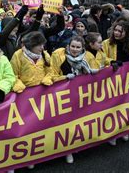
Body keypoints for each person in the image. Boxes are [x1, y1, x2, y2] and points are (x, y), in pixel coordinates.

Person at [48, 36, 98, 164]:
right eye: (73, 46)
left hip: (81, 96)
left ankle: (78, 145)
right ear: (68, 46)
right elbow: (52, 75)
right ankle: (67, 151)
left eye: (78, 47)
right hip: (64, 96)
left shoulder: (88, 58)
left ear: (82, 48)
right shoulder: (58, 55)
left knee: (79, 122)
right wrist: (64, 77)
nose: (75, 50)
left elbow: (97, 72)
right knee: (65, 124)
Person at [101, 20, 129, 143]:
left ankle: (124, 130)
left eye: (119, 31)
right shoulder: (106, 43)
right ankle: (112, 133)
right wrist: (111, 61)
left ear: (126, 32)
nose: (116, 33)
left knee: (126, 105)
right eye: (115, 30)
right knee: (113, 105)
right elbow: (101, 58)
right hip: (112, 80)